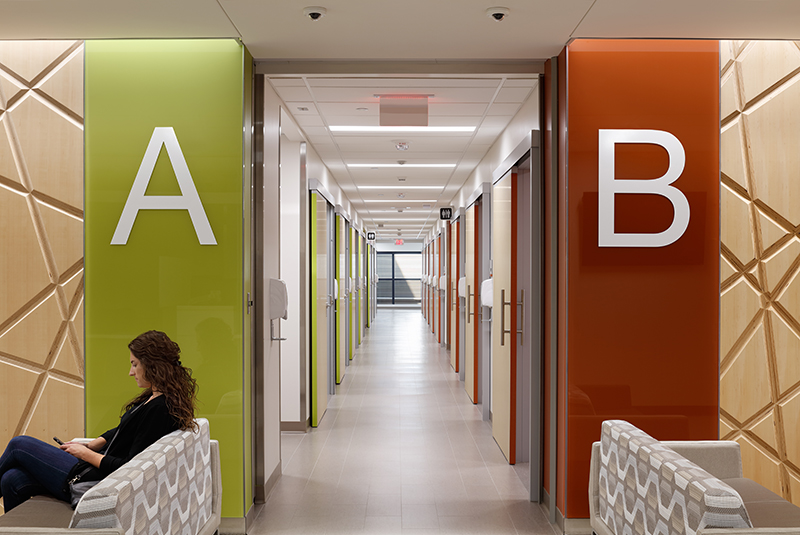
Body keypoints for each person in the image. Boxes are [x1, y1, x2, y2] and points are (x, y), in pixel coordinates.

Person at [0, 330, 197, 512]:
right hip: (96, 470)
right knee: (12, 480)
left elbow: (128, 468)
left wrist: (84, 453)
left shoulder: (159, 409)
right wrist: (96, 443)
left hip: (97, 482)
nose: (131, 372)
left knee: (19, 445)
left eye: (134, 364)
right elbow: (125, 429)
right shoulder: (155, 397)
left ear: (153, 365)